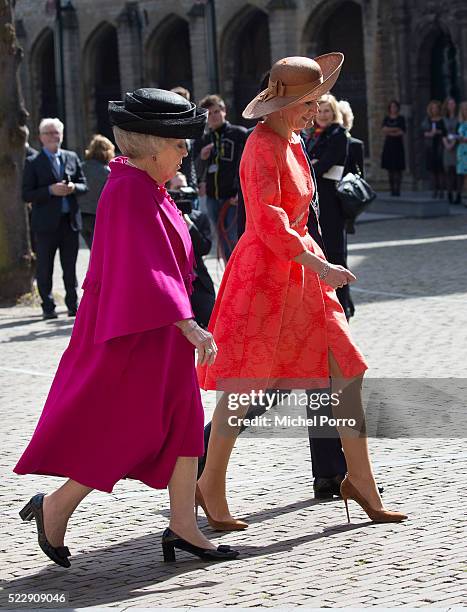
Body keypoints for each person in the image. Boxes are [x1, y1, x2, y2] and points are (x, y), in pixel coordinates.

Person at [14, 89, 239, 567]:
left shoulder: (150, 186)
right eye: (179, 144)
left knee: (182, 428)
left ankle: (183, 524)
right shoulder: (127, 190)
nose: (185, 151)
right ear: (154, 146)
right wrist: (190, 325)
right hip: (136, 334)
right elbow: (145, 268)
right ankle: (54, 507)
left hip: (162, 331)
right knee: (128, 431)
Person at [196, 55, 407, 531]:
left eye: (316, 102)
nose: (316, 110)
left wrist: (317, 265)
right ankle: (210, 481)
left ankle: (361, 481)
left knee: (347, 372)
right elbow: (266, 220)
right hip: (267, 275)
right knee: (245, 384)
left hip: (303, 272)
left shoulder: (293, 140)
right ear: (285, 101)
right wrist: (320, 265)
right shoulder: (259, 146)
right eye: (309, 103)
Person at [22, 118, 88, 319]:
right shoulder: (33, 162)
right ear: (41, 138)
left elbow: (84, 185)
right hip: (45, 224)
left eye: (56, 132)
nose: (53, 136)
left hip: (69, 223)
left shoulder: (71, 157)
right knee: (45, 267)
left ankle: (72, 304)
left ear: (62, 135)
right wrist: (50, 190)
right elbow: (26, 194)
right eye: (48, 133)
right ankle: (48, 306)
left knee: (70, 267)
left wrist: (73, 188)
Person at [306, 93, 354, 320]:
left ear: (334, 112)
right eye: (320, 110)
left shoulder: (338, 134)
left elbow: (322, 165)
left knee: (336, 253)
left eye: (327, 111)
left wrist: (314, 164)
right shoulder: (313, 135)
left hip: (333, 202)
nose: (323, 115)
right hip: (316, 202)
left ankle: (343, 305)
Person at [194, 95, 247, 262]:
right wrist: (202, 158)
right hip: (212, 197)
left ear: (224, 111)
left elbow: (245, 165)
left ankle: (243, 276)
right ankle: (230, 276)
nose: (214, 116)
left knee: (234, 237)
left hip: (233, 197)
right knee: (222, 239)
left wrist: (240, 191)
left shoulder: (239, 134)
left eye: (217, 111)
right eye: (210, 114)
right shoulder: (203, 139)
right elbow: (197, 169)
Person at [169, 172, 216, 328]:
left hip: (197, 281)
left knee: (209, 315)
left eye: (185, 187)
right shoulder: (159, 216)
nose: (182, 192)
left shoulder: (199, 217)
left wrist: (188, 225)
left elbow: (204, 248)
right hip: (172, 282)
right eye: (177, 188)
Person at [80, 135, 115, 248]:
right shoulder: (108, 172)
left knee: (93, 252)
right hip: (99, 217)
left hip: (82, 216)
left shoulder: (81, 167)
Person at [170, 87, 198, 193]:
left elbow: (190, 162)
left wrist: (194, 183)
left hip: (190, 187)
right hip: (173, 187)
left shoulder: (190, 128)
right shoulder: (165, 129)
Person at [381, 100, 406, 197]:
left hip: (398, 145)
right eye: (391, 107)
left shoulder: (401, 119)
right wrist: (395, 129)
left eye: (395, 107)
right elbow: (384, 129)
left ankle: (398, 189)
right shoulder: (386, 118)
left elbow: (402, 131)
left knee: (398, 168)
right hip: (389, 145)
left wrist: (390, 131)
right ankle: (392, 189)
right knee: (390, 168)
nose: (393, 109)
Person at [422, 100, 446, 198]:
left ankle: (441, 190)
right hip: (430, 146)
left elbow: (445, 132)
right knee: (432, 170)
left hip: (440, 145)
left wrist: (439, 132)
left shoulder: (442, 120)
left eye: (436, 108)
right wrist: (429, 133)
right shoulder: (427, 120)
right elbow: (423, 131)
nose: (434, 110)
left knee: (440, 169)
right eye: (433, 108)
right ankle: (434, 189)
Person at [442, 97, 461, 204]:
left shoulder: (459, 118)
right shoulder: (444, 119)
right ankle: (449, 194)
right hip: (447, 147)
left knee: (458, 172)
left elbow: (459, 132)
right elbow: (443, 133)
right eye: (449, 104)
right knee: (449, 171)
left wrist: (453, 142)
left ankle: (458, 195)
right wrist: (447, 145)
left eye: (453, 103)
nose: (451, 105)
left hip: (457, 146)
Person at [457, 101, 467, 206]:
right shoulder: (461, 124)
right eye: (464, 110)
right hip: (463, 150)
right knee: (465, 176)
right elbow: (459, 137)